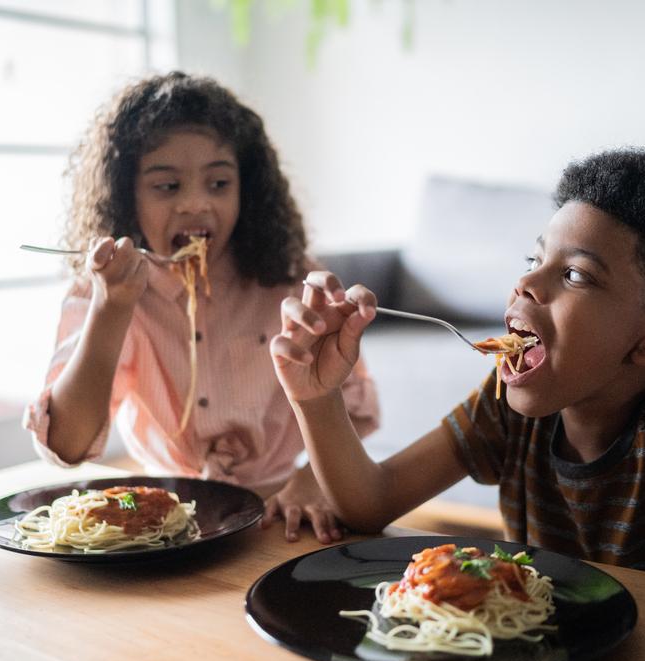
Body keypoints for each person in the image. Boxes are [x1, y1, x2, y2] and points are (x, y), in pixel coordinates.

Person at [270, 148, 645, 661]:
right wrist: (316, 397)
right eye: (534, 258)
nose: (525, 283)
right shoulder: (504, 407)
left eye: (573, 274)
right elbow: (370, 505)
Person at [23, 71, 379, 544]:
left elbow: (356, 408)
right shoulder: (103, 291)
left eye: (218, 182)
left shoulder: (289, 280)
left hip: (285, 508)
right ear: (126, 195)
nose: (195, 204)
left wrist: (312, 479)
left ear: (245, 189)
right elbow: (65, 446)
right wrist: (111, 308)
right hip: (158, 511)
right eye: (167, 187)